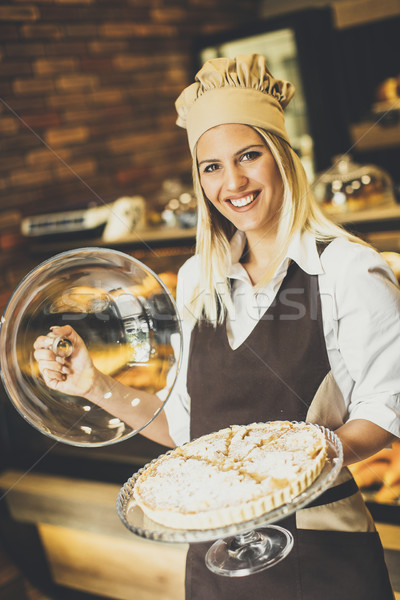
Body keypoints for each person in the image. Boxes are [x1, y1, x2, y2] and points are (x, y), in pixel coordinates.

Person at [34, 54, 399, 599]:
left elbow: (386, 409)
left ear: (281, 157)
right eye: (212, 167)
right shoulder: (196, 278)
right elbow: (185, 432)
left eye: (249, 156)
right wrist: (93, 385)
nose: (234, 182)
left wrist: (284, 474)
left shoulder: (347, 268)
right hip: (215, 565)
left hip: (321, 558)